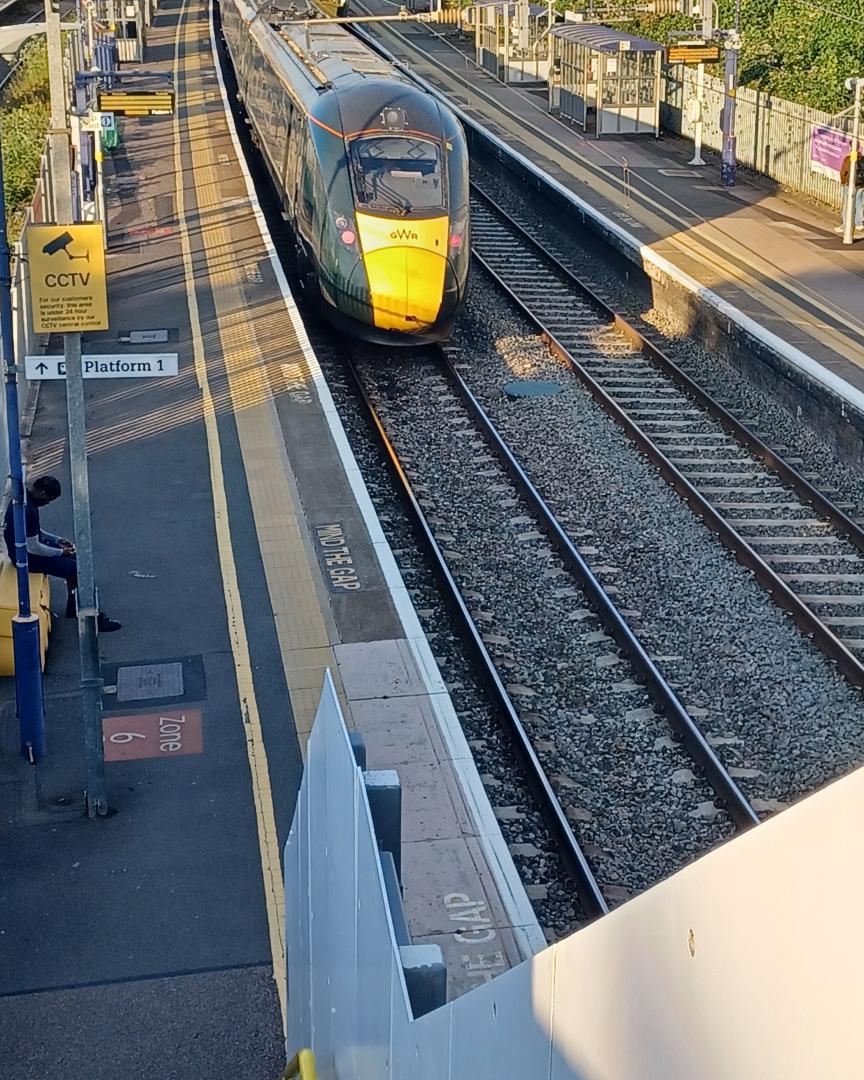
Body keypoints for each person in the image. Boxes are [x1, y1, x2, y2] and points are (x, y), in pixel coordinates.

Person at [3, 475, 121, 632]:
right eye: (49, 499)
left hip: (19, 552)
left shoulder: (23, 499)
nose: (48, 503)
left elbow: (34, 532)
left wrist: (56, 539)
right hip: (28, 558)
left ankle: (74, 604)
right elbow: (34, 547)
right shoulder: (29, 510)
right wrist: (61, 552)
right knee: (78, 569)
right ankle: (92, 618)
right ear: (43, 493)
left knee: (72, 561)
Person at [835, 147, 864, 235]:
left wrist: (843, 182)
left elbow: (843, 172)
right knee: (858, 203)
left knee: (846, 206)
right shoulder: (862, 159)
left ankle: (845, 225)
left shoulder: (848, 159)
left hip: (849, 185)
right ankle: (859, 223)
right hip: (861, 185)